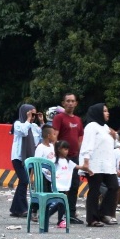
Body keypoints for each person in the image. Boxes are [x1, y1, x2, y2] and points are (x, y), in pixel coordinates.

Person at [80, 103, 118, 227]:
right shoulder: (92, 126)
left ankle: (103, 213)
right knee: (95, 190)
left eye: (107, 111)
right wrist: (86, 162)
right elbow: (87, 144)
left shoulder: (105, 127)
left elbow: (113, 144)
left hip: (107, 164)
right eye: (105, 111)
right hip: (94, 164)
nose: (108, 113)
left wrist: (115, 136)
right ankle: (92, 219)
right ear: (98, 113)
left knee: (113, 187)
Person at [52, 93, 85, 224]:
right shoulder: (59, 118)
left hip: (74, 157)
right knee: (62, 187)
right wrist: (59, 153)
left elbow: (80, 138)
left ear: (76, 103)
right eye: (68, 101)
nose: (70, 103)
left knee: (74, 185)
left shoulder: (78, 120)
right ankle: (56, 214)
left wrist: (81, 154)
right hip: (63, 158)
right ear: (63, 103)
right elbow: (55, 136)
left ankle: (71, 213)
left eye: (72, 101)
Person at [9, 103, 42, 218]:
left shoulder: (33, 126)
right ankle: (22, 209)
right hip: (18, 158)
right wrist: (28, 120)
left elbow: (43, 136)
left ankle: (15, 209)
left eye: (34, 114)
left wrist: (41, 122)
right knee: (24, 181)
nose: (33, 117)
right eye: (31, 114)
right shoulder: (18, 124)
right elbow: (22, 132)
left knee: (23, 182)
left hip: (28, 158)